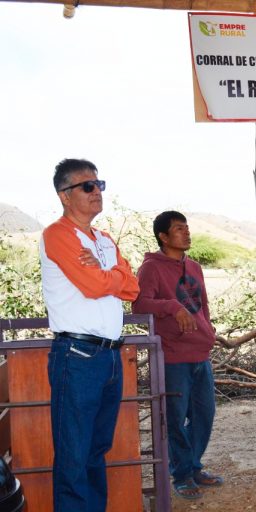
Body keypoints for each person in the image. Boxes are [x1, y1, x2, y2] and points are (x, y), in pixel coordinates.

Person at [40, 158, 140, 511]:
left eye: (99, 184)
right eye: (87, 186)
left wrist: (108, 276)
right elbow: (94, 285)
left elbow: (133, 288)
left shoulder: (104, 239)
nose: (96, 191)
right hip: (78, 356)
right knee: (74, 455)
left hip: (110, 356)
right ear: (65, 195)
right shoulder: (57, 235)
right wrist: (111, 277)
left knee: (96, 451)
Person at [132, 211, 223, 500]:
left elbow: (202, 305)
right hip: (172, 356)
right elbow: (139, 306)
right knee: (175, 418)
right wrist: (172, 306)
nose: (186, 233)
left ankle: (193, 466)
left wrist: (208, 328)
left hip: (200, 352)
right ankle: (181, 474)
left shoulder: (194, 266)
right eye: (179, 229)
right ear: (163, 236)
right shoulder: (150, 268)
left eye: (187, 228)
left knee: (204, 414)